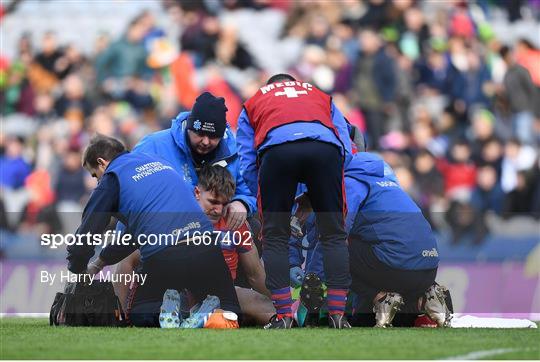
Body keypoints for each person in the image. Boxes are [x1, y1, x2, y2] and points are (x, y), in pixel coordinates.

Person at [66, 135, 240, 327]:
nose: (97, 181)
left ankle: (169, 315)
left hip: (164, 253)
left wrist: (78, 269)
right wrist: (98, 264)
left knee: (142, 315)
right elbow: (135, 235)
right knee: (230, 311)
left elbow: (86, 235)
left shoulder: (112, 178)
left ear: (102, 163)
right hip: (206, 245)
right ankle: (204, 315)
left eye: (94, 175)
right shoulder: (157, 162)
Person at [237, 73, 353, 329]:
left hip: (277, 152)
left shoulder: (254, 101)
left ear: (271, 89)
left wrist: (266, 193)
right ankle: (337, 314)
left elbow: (246, 159)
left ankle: (283, 316)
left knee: (275, 236)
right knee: (334, 234)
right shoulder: (320, 95)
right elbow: (346, 145)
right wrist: (318, 192)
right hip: (325, 150)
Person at [292, 152, 450, 328]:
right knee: (364, 321)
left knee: (337, 247)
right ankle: (424, 299)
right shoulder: (388, 186)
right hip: (428, 269)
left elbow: (332, 237)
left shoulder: (350, 185)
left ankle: (380, 297)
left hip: (395, 265)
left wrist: (312, 282)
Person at [114, 164, 274, 325]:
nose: (218, 210)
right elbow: (127, 262)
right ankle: (193, 316)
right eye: (212, 202)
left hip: (218, 293)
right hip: (174, 292)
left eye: (224, 204)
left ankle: (286, 319)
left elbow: (255, 274)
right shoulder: (172, 215)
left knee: (260, 303)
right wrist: (121, 316)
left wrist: (281, 303)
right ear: (197, 193)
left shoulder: (236, 222)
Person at [133, 91, 256, 230]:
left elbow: (250, 190)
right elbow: (130, 188)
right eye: (200, 134)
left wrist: (242, 203)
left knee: (254, 226)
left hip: (214, 233)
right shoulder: (153, 145)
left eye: (213, 136)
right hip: (159, 230)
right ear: (189, 128)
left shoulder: (234, 151)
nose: (205, 142)